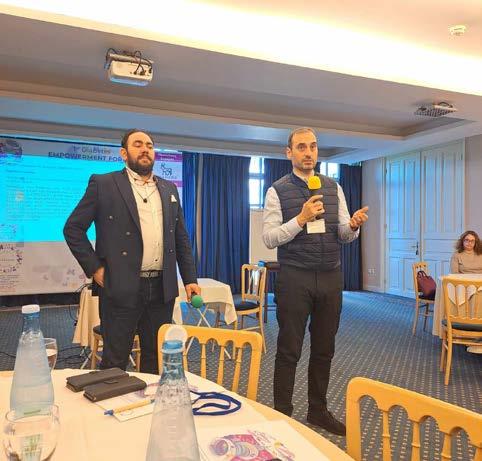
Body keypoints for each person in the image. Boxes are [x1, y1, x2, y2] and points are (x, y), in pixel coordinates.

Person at [64, 129, 200, 374]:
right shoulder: (104, 184)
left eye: (149, 145)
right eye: (138, 144)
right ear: (124, 153)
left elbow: (180, 238)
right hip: (121, 286)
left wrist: (190, 279)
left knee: (155, 358)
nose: (145, 149)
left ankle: (149, 400)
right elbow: (73, 228)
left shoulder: (169, 188)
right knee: (115, 361)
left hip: (161, 288)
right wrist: (95, 268)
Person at [262, 127, 368, 436]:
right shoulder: (277, 190)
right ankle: (282, 414)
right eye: (301, 147)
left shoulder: (334, 187)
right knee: (289, 349)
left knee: (324, 349)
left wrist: (353, 226)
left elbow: (343, 235)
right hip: (295, 277)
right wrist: (301, 219)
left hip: (331, 277)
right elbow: (269, 238)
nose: (308, 152)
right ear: (289, 153)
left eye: (313, 146)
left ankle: (318, 411)